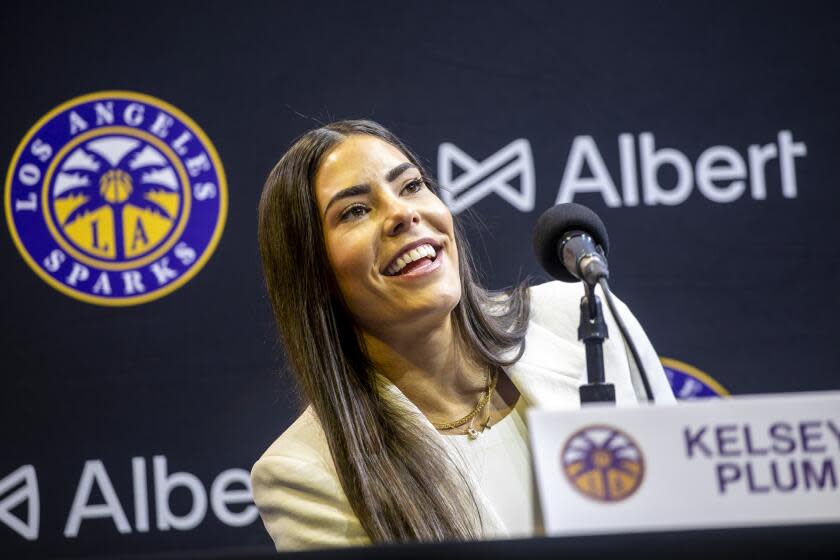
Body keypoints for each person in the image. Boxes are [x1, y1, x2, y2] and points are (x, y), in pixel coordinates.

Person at [251, 120, 676, 551]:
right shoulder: (304, 473)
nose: (402, 213)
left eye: (411, 186)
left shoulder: (582, 319)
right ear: (312, 274)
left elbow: (689, 513)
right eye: (355, 211)